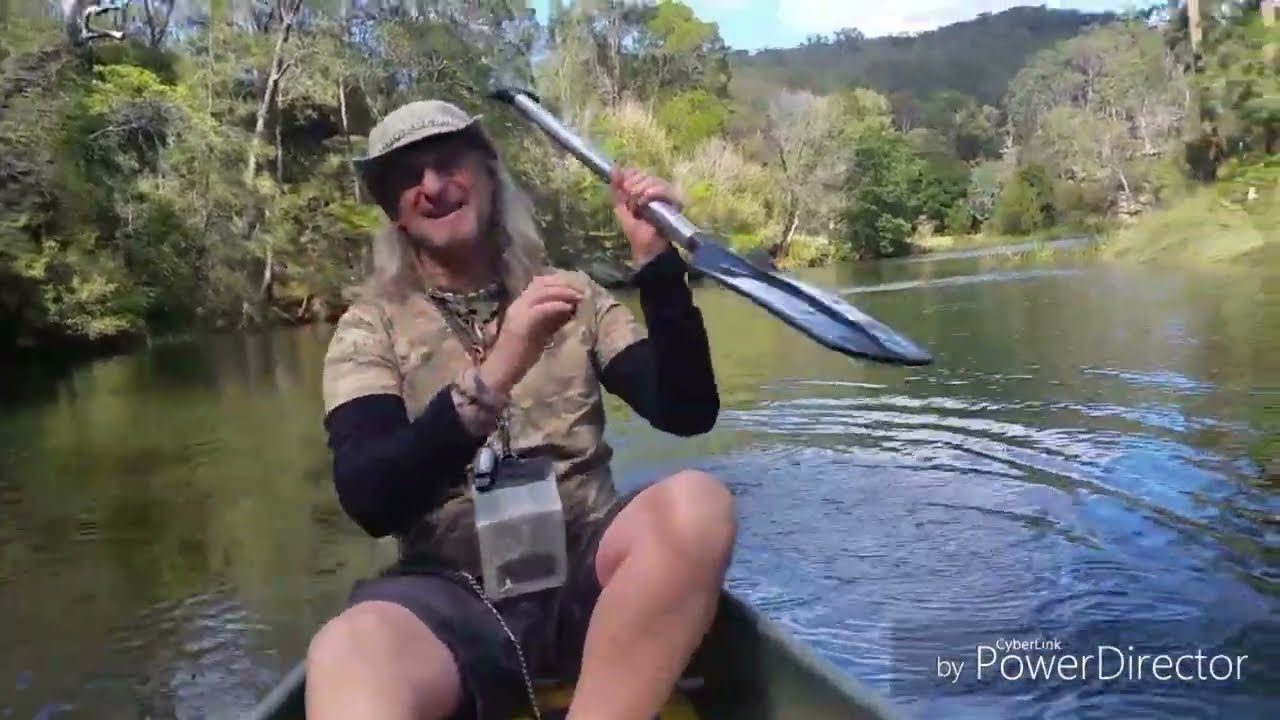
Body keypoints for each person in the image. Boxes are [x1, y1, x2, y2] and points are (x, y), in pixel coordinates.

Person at [305, 98, 737, 720]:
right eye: (407, 177)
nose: (431, 186)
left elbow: (686, 410)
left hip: (590, 577)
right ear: (393, 211)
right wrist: (502, 367)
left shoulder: (574, 296)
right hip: (449, 600)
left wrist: (657, 262)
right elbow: (371, 498)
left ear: (487, 174)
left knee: (698, 505)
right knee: (348, 649)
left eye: (448, 162)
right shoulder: (366, 329)